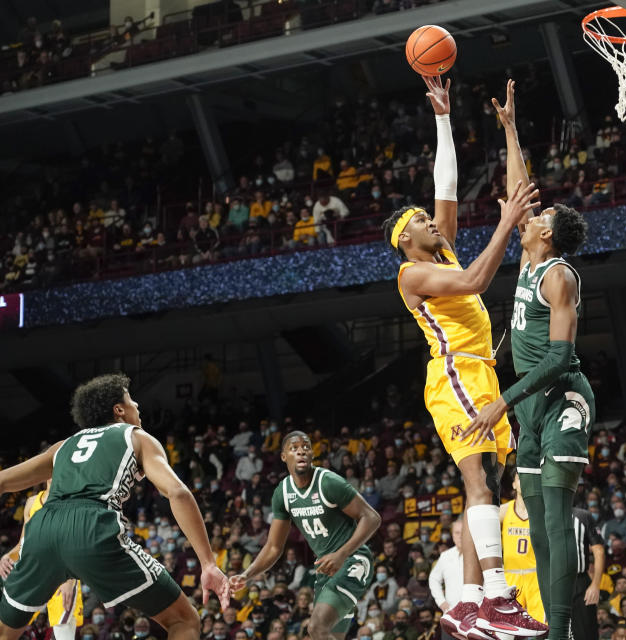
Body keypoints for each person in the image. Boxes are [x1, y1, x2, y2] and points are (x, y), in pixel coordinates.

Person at [382, 74, 543, 640]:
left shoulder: (439, 246)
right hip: (452, 375)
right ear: (405, 239)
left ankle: (471, 603)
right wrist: (505, 220)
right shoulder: (412, 272)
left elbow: (444, 184)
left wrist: (444, 117)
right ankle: (495, 597)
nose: (431, 219)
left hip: (480, 370)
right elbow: (478, 276)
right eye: (420, 222)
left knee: (492, 487)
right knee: (479, 486)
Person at [460, 78, 593, 640]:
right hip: (530, 410)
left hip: (561, 400)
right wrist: (510, 130)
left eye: (541, 214)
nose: (530, 214)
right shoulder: (529, 256)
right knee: (537, 525)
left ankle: (560, 631)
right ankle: (545, 623)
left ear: (549, 232)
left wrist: (500, 402)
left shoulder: (559, 275)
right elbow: (521, 191)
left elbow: (561, 358)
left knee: (558, 520)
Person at [0, 373, 230, 640]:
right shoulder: (137, 437)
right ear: (119, 410)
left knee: (6, 633)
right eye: (132, 401)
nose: (138, 407)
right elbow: (177, 492)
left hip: (42, 529)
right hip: (91, 526)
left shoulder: (62, 447)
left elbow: (3, 482)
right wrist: (208, 562)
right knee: (184, 620)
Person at [228, 431, 381, 640]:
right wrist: (247, 574)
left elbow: (372, 517)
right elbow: (273, 547)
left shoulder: (328, 482)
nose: (301, 451)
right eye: (294, 448)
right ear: (284, 456)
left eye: (306, 447)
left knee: (316, 628)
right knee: (328, 635)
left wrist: (341, 554)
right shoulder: (283, 493)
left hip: (352, 560)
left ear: (312, 455)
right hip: (325, 570)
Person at [0, 485, 82, 640]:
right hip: (30, 574)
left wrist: (70, 579)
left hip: (61, 575)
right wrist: (8, 556)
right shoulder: (32, 502)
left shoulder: (75, 500)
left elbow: (76, 544)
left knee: (63, 634)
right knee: (6, 631)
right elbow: (23, 543)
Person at [500, 472, 546, 623]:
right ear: (513, 484)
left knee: (541, 627)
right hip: (510, 577)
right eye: (520, 477)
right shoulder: (504, 510)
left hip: (536, 577)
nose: (525, 481)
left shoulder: (542, 511)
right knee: (508, 627)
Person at [570, 505, 604, 640]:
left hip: (580, 582)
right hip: (551, 583)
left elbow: (599, 551)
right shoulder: (542, 515)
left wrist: (595, 585)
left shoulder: (582, 516)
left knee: (586, 632)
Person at [428, 519, 464, 639]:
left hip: (474, 620)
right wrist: (441, 602)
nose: (460, 536)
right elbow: (433, 579)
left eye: (463, 532)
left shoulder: (478, 554)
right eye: (457, 533)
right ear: (452, 535)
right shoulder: (445, 556)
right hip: (451, 618)